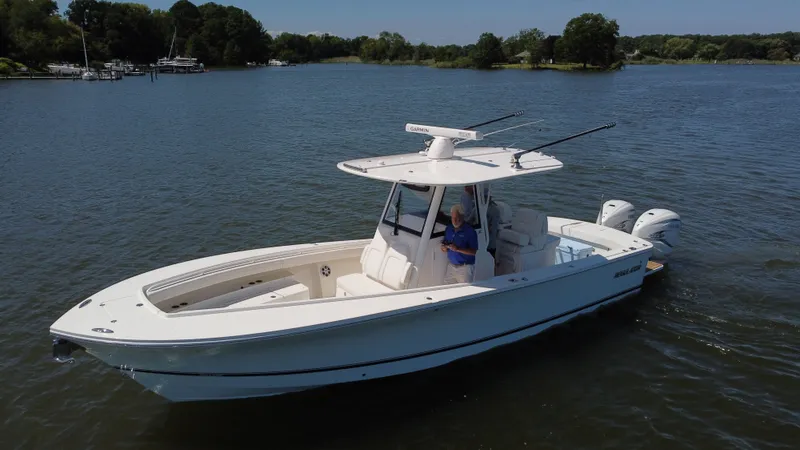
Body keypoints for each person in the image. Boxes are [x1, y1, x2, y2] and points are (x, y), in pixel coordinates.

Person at [441, 204, 478, 283]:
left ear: (463, 217)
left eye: (457, 218)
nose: (455, 220)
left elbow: (473, 252)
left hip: (465, 268)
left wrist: (457, 249)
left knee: (464, 290)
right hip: (451, 266)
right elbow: (444, 246)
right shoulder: (448, 229)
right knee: (446, 288)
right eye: (453, 218)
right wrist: (444, 248)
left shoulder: (470, 231)